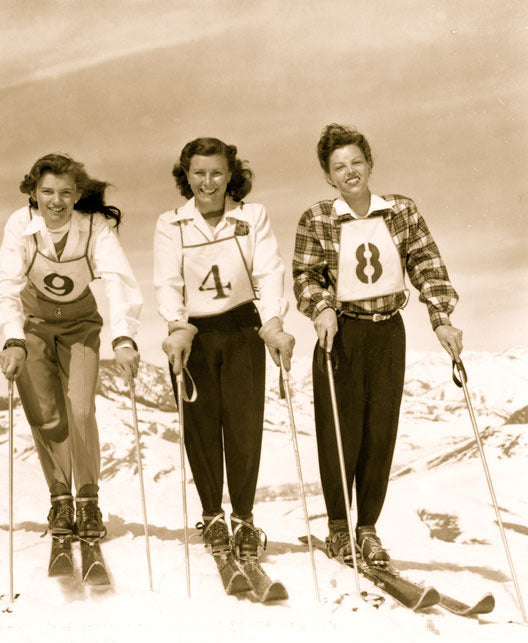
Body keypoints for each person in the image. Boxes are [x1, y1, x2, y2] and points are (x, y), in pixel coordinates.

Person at [293, 123, 464, 566]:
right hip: (342, 332)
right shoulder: (317, 217)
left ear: (369, 164)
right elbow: (305, 275)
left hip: (388, 330)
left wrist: (441, 318)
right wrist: (321, 308)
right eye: (339, 167)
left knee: (378, 433)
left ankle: (366, 528)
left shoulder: (401, 211)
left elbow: (427, 263)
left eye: (356, 162)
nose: (350, 172)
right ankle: (337, 528)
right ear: (329, 176)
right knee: (339, 433)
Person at [153, 137, 294, 561]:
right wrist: (177, 325)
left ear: (231, 174)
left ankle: (245, 520)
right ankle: (213, 516)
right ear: (186, 175)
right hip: (194, 334)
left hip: (242, 328)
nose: (208, 182)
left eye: (216, 172)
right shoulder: (171, 223)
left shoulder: (251, 217)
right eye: (199, 173)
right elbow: (168, 280)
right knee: (201, 429)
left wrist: (273, 322)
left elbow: (268, 270)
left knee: (243, 429)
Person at [0, 153, 141, 542]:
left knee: (80, 407)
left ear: (77, 195)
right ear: (33, 193)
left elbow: (118, 280)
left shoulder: (95, 226)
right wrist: (13, 338)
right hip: (35, 324)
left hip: (80, 325)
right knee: (45, 414)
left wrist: (123, 337)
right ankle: (61, 498)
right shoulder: (20, 223)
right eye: (46, 191)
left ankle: (88, 499)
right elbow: (6, 284)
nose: (55, 201)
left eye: (65, 192)